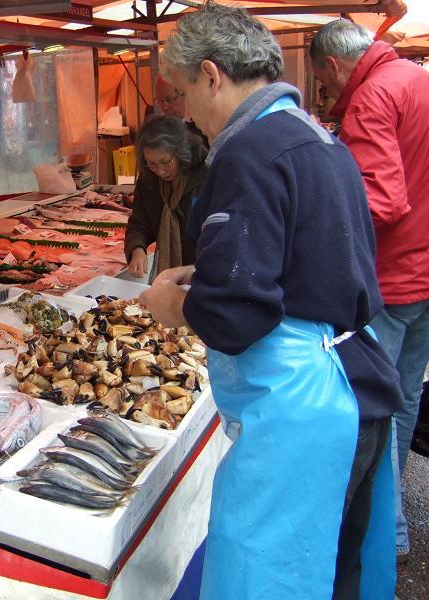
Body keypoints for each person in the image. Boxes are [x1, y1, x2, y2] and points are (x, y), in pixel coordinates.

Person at [139, 3, 402, 598]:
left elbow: (237, 314)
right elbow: (308, 258)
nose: (184, 115)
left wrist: (170, 304)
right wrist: (208, 269)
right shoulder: (314, 136)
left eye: (181, 94)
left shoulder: (248, 150)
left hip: (308, 408)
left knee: (272, 576)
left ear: (211, 74)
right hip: (358, 382)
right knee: (336, 572)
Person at [310, 18, 429, 566]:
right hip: (425, 272)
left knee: (367, 410)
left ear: (333, 66)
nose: (330, 95)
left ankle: (373, 531)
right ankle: (395, 522)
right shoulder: (418, 78)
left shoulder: (374, 96)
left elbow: (381, 200)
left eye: (325, 84)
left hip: (395, 276)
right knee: (401, 400)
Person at [125, 116, 207, 282]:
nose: (160, 171)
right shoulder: (148, 180)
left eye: (166, 162)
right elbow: (139, 223)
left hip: (202, 273)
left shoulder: (205, 178)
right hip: (168, 278)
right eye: (152, 164)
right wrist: (137, 249)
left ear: (181, 153)